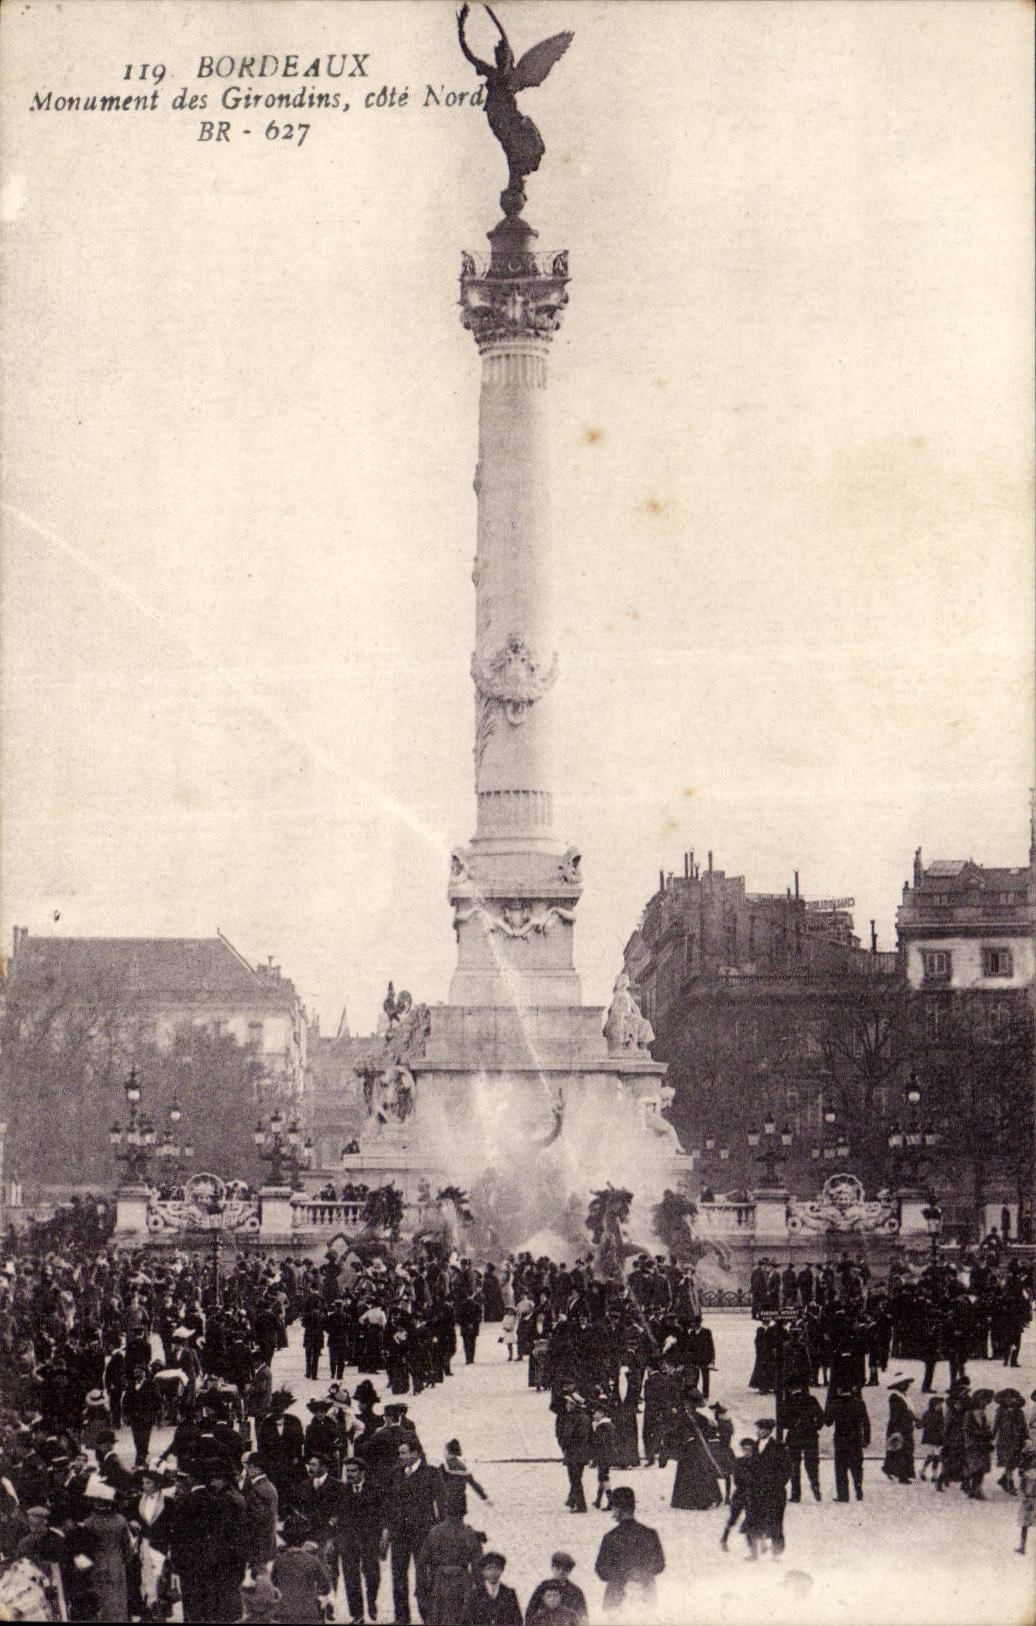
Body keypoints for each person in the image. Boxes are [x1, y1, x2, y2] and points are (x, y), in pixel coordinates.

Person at [593, 1485, 665, 1614]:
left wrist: (621, 1576)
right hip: (646, 1595)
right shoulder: (650, 1534)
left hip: (616, 1598)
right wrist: (641, 1574)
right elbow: (659, 1565)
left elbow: (601, 1570)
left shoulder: (610, 1537)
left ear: (618, 1509)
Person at [417, 1507, 485, 1625]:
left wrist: (422, 1589)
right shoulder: (469, 1532)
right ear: (463, 1514)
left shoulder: (435, 1532)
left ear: (446, 1513)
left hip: (440, 1581)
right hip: (462, 1581)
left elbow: (422, 1563)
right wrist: (481, 1589)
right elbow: (478, 1565)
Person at [271, 1513, 334, 1624]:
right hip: (308, 1614)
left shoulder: (279, 1561)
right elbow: (326, 1588)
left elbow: (274, 1584)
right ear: (303, 1541)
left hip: (286, 1614)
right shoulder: (313, 1561)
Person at [749, 1419, 791, 1559]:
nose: (759, 1431)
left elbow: (786, 1469)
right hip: (757, 1491)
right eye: (758, 1429)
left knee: (775, 1521)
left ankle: (777, 1553)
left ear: (768, 1430)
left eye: (761, 1429)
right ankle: (755, 1552)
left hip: (775, 1492)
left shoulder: (779, 1447)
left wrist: (777, 1484)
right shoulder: (754, 1445)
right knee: (755, 1520)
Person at [825, 1385, 870, 1503]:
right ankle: (858, 1488)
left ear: (840, 1390)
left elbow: (828, 1422)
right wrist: (866, 1439)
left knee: (841, 1468)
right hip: (855, 1439)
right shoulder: (859, 1403)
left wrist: (829, 1405)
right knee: (857, 1467)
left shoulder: (835, 1404)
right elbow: (866, 1422)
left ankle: (843, 1495)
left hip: (840, 1440)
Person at [782, 1386, 825, 1503]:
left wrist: (792, 1425)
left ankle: (796, 1494)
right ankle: (815, 1486)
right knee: (812, 1465)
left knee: (794, 1466)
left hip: (794, 1437)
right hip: (810, 1436)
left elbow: (783, 1422)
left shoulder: (788, 1402)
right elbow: (821, 1417)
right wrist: (815, 1427)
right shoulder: (811, 1399)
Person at [524, 1552, 588, 1626]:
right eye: (558, 1568)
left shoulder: (576, 1592)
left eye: (565, 1569)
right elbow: (530, 1613)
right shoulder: (543, 1587)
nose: (561, 1572)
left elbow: (583, 1617)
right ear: (552, 1568)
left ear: (569, 1571)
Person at [462, 1550, 523, 1625]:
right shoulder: (474, 1595)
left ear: (502, 1570)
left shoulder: (509, 1594)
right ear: (483, 1571)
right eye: (489, 1569)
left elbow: (517, 1621)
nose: (493, 1573)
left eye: (496, 1568)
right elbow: (466, 1621)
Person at [720, 1438, 758, 1552]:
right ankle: (724, 1538)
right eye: (744, 1449)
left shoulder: (758, 1461)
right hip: (740, 1494)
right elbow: (737, 1479)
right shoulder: (739, 1461)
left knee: (751, 1520)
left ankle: (752, 1547)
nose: (747, 1451)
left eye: (749, 1449)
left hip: (753, 1495)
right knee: (733, 1518)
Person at [882, 1377, 919, 1483]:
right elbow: (898, 1414)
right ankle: (902, 1475)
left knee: (901, 1450)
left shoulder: (904, 1397)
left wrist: (915, 1420)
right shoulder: (895, 1397)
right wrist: (896, 1429)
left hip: (906, 1427)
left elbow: (909, 1412)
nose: (907, 1386)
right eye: (905, 1384)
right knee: (901, 1452)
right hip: (899, 1428)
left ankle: (891, 1470)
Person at [1016, 1443, 1036, 1554]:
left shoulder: (1025, 1474)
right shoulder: (1026, 1474)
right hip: (1029, 1499)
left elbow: (1020, 1488)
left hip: (1027, 1499)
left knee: (1024, 1522)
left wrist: (1023, 1498)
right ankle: (1022, 1546)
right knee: (1024, 1522)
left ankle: (1022, 1546)